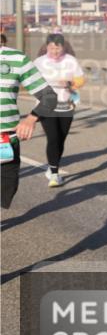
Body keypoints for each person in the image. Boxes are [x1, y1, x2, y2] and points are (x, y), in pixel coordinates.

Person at [1, 33, 58, 208]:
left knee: (6, 190)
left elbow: (49, 97)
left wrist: (31, 119)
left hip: (5, 141)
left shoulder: (17, 59)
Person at [33, 33, 86, 187]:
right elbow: (30, 80)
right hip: (46, 105)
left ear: (63, 47)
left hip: (66, 104)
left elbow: (81, 80)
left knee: (61, 138)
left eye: (57, 48)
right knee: (53, 137)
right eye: (51, 47)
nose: (54, 51)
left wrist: (70, 82)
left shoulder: (71, 60)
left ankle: (52, 167)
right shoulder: (39, 62)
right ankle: (54, 174)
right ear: (46, 46)